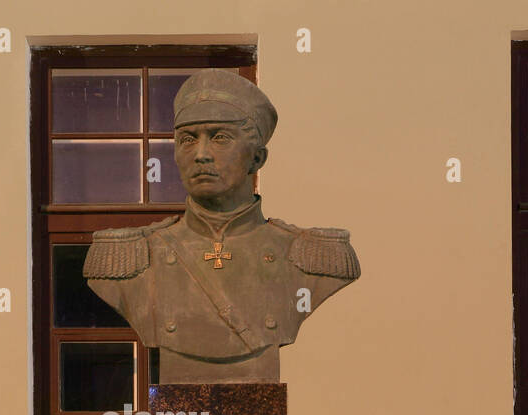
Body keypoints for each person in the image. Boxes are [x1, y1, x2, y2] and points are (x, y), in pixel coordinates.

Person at [84, 69, 360, 384]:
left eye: (220, 138)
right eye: (188, 140)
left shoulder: (309, 257)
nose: (200, 154)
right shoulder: (134, 258)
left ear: (257, 158)